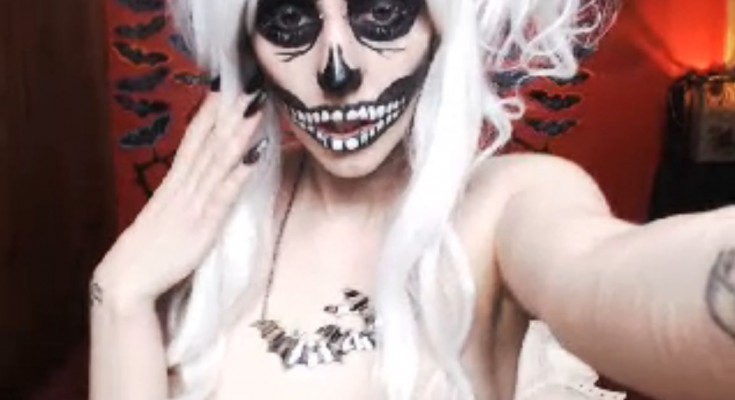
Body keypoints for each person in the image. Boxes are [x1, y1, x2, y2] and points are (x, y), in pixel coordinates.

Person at [88, 0, 735, 399]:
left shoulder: (504, 204)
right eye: (289, 20)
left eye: (380, 12)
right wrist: (120, 296)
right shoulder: (209, 226)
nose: (337, 71)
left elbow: (606, 272)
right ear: (250, 47)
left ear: (440, 25)